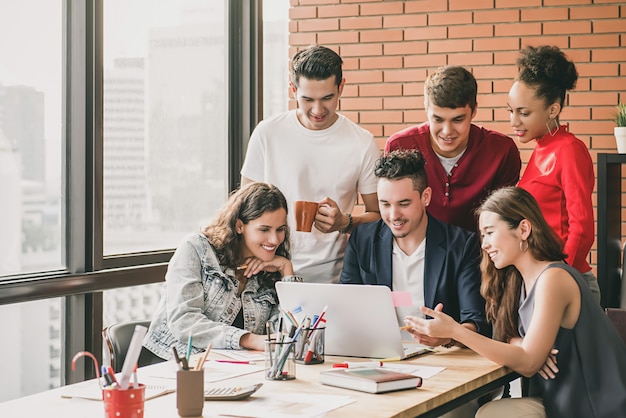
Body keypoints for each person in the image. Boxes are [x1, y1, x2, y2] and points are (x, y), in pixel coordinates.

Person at [404, 187, 626, 418]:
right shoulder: (519, 282)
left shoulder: (554, 278)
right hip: (560, 401)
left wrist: (455, 331)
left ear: (523, 229)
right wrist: (522, 344)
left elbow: (529, 363)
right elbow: (510, 341)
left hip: (594, 407)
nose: (484, 244)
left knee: (492, 415)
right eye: (483, 235)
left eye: (490, 232)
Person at [241, 45, 381, 283]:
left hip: (332, 277)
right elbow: (243, 207)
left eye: (327, 98)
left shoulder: (362, 143)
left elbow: (378, 215)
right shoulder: (268, 133)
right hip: (267, 270)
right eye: (307, 99)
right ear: (293, 89)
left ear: (341, 88)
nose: (317, 110)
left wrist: (344, 222)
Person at [340, 149, 489, 344]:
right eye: (385, 204)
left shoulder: (461, 245)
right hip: (378, 355)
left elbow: (476, 322)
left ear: (426, 197)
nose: (393, 215)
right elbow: (345, 307)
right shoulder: (363, 239)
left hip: (441, 359)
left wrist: (448, 337)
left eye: (403, 203)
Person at [143, 182, 302, 360]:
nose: (274, 239)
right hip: (174, 365)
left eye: (280, 230)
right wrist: (249, 340)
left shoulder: (269, 268)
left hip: (230, 371)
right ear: (239, 226)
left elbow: (286, 333)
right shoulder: (197, 248)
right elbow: (184, 320)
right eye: (264, 229)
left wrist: (286, 269)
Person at [508, 45, 599, 302]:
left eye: (523, 113)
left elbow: (581, 227)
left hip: (566, 281)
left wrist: (560, 276)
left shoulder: (569, 149)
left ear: (553, 110)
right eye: (511, 111)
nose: (514, 121)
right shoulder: (541, 149)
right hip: (545, 277)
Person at [385, 66, 521, 233]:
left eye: (458, 119)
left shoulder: (502, 151)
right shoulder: (400, 147)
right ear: (426, 109)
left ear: (474, 111)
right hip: (419, 252)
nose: (447, 131)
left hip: (479, 253)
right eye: (438, 119)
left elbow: (503, 220)